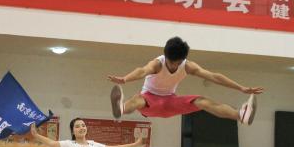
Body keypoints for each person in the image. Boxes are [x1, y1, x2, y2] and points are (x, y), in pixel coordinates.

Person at [108, 36, 263, 123]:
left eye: (178, 63)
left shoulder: (188, 66)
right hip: (150, 102)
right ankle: (121, 108)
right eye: (171, 62)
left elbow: (214, 76)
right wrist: (125, 79)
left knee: (202, 101)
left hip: (170, 102)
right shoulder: (157, 64)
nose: (174, 66)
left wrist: (241, 88)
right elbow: (141, 71)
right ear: (166, 57)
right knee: (137, 99)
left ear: (182, 59)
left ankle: (240, 115)